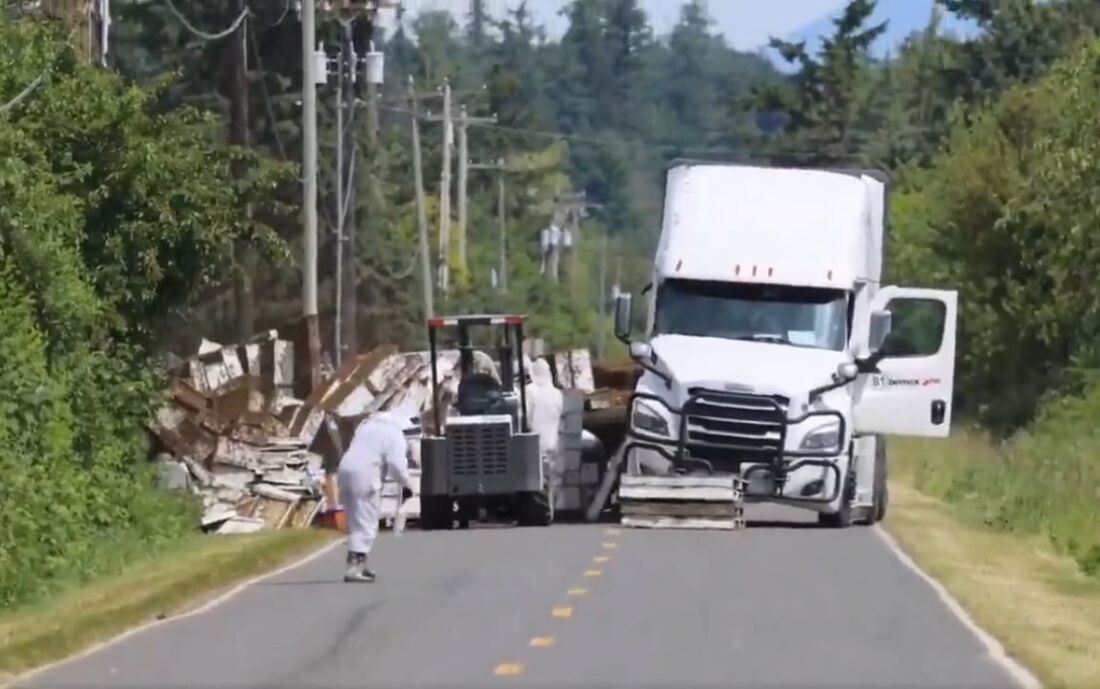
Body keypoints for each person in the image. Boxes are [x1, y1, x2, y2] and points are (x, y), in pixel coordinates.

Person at [337, 399, 418, 583]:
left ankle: (361, 564)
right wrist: (407, 485)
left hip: (345, 470)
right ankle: (354, 567)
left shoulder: (366, 427)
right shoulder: (394, 433)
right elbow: (397, 465)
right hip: (364, 475)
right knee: (367, 521)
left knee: (355, 520)